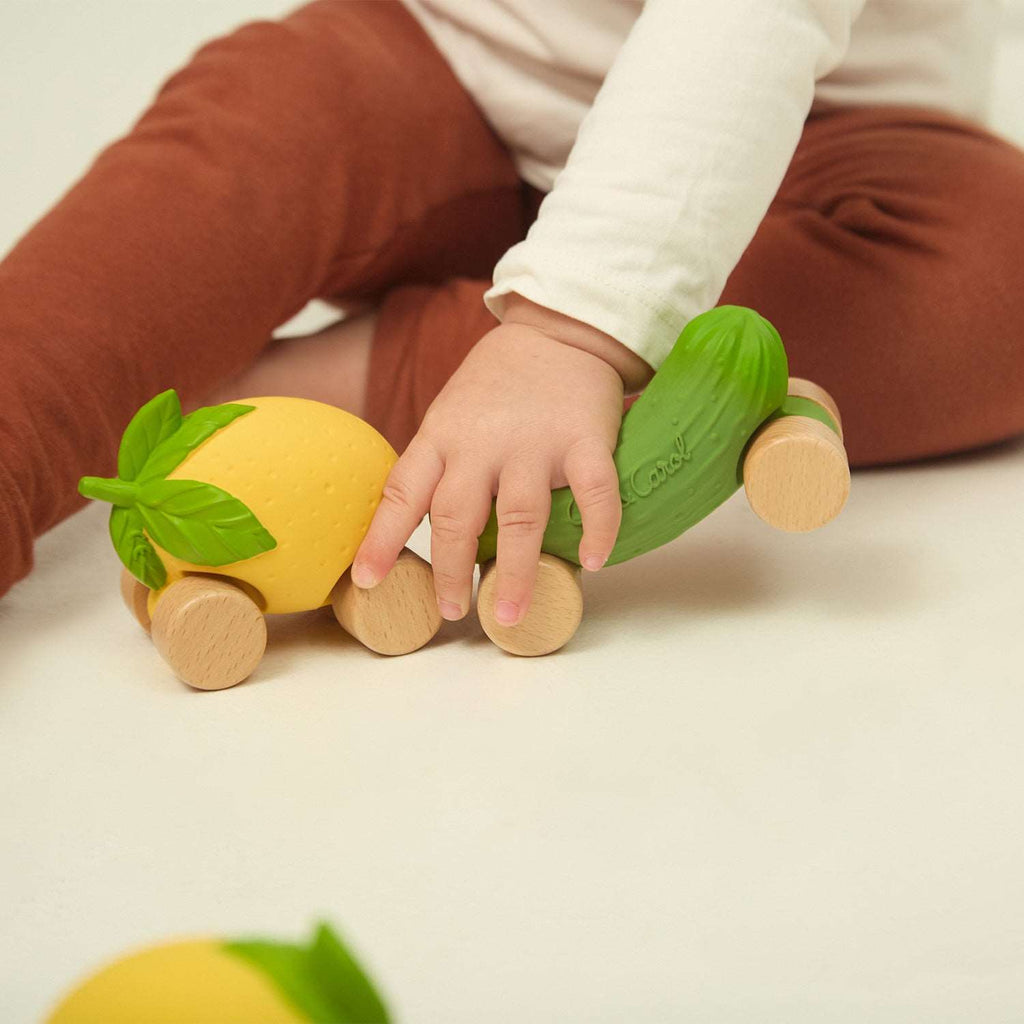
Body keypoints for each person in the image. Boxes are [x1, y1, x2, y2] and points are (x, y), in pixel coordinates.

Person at [0, 0, 1021, 622]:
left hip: (818, 140)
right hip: (463, 63)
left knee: (996, 273)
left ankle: (315, 383)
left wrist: (569, 326)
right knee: (259, 127)